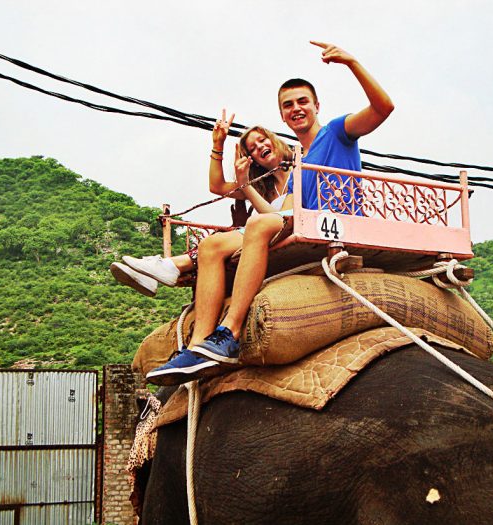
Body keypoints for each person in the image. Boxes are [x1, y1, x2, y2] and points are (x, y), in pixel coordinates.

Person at [146, 41, 394, 384]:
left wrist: (352, 62)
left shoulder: (337, 131)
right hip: (305, 225)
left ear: (316, 105)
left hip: (339, 223)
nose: (296, 109)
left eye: (302, 102)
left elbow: (383, 108)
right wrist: (240, 176)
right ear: (281, 115)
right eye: (288, 105)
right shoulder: (297, 165)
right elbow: (269, 207)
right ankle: (200, 344)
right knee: (211, 246)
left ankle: (229, 332)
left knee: (259, 224)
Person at [110, 111, 293, 297]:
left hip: (276, 231)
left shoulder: (300, 168)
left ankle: (167, 266)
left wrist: (245, 186)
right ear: (251, 159)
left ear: (273, 139)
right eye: (253, 148)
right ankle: (154, 275)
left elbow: (282, 218)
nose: (259, 147)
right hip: (260, 234)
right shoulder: (263, 186)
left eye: (262, 140)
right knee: (215, 241)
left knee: (215, 242)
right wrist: (218, 144)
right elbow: (217, 186)